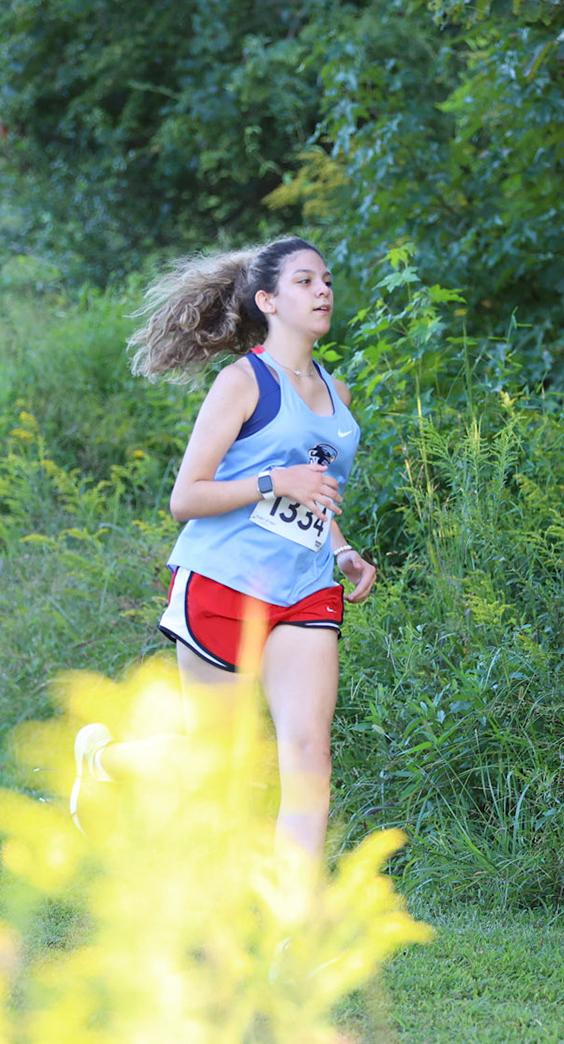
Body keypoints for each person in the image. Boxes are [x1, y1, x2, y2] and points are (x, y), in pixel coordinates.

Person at [71, 236, 377, 863]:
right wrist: (272, 481)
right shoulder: (243, 383)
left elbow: (317, 492)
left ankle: (293, 926)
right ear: (267, 300)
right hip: (223, 580)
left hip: (307, 587)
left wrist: (342, 550)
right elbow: (186, 497)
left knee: (308, 753)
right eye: (304, 281)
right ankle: (101, 763)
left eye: (326, 280)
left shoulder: (336, 391)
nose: (322, 290)